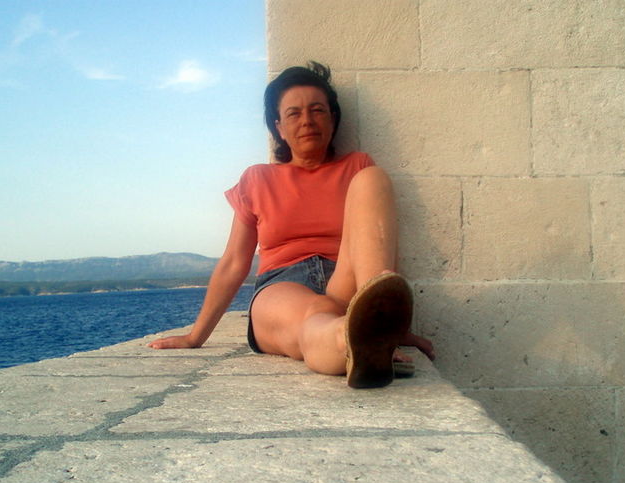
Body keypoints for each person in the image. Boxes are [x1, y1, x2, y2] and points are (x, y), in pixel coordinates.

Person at [149, 62, 434, 388]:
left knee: (372, 178)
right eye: (294, 113)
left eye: (317, 110)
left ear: (332, 119)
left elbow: (379, 240)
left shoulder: (356, 166)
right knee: (315, 313)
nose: (307, 120)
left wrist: (400, 329)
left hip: (345, 282)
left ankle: (378, 324)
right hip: (282, 288)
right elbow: (233, 263)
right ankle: (349, 341)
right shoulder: (257, 179)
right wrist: (195, 336)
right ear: (279, 127)